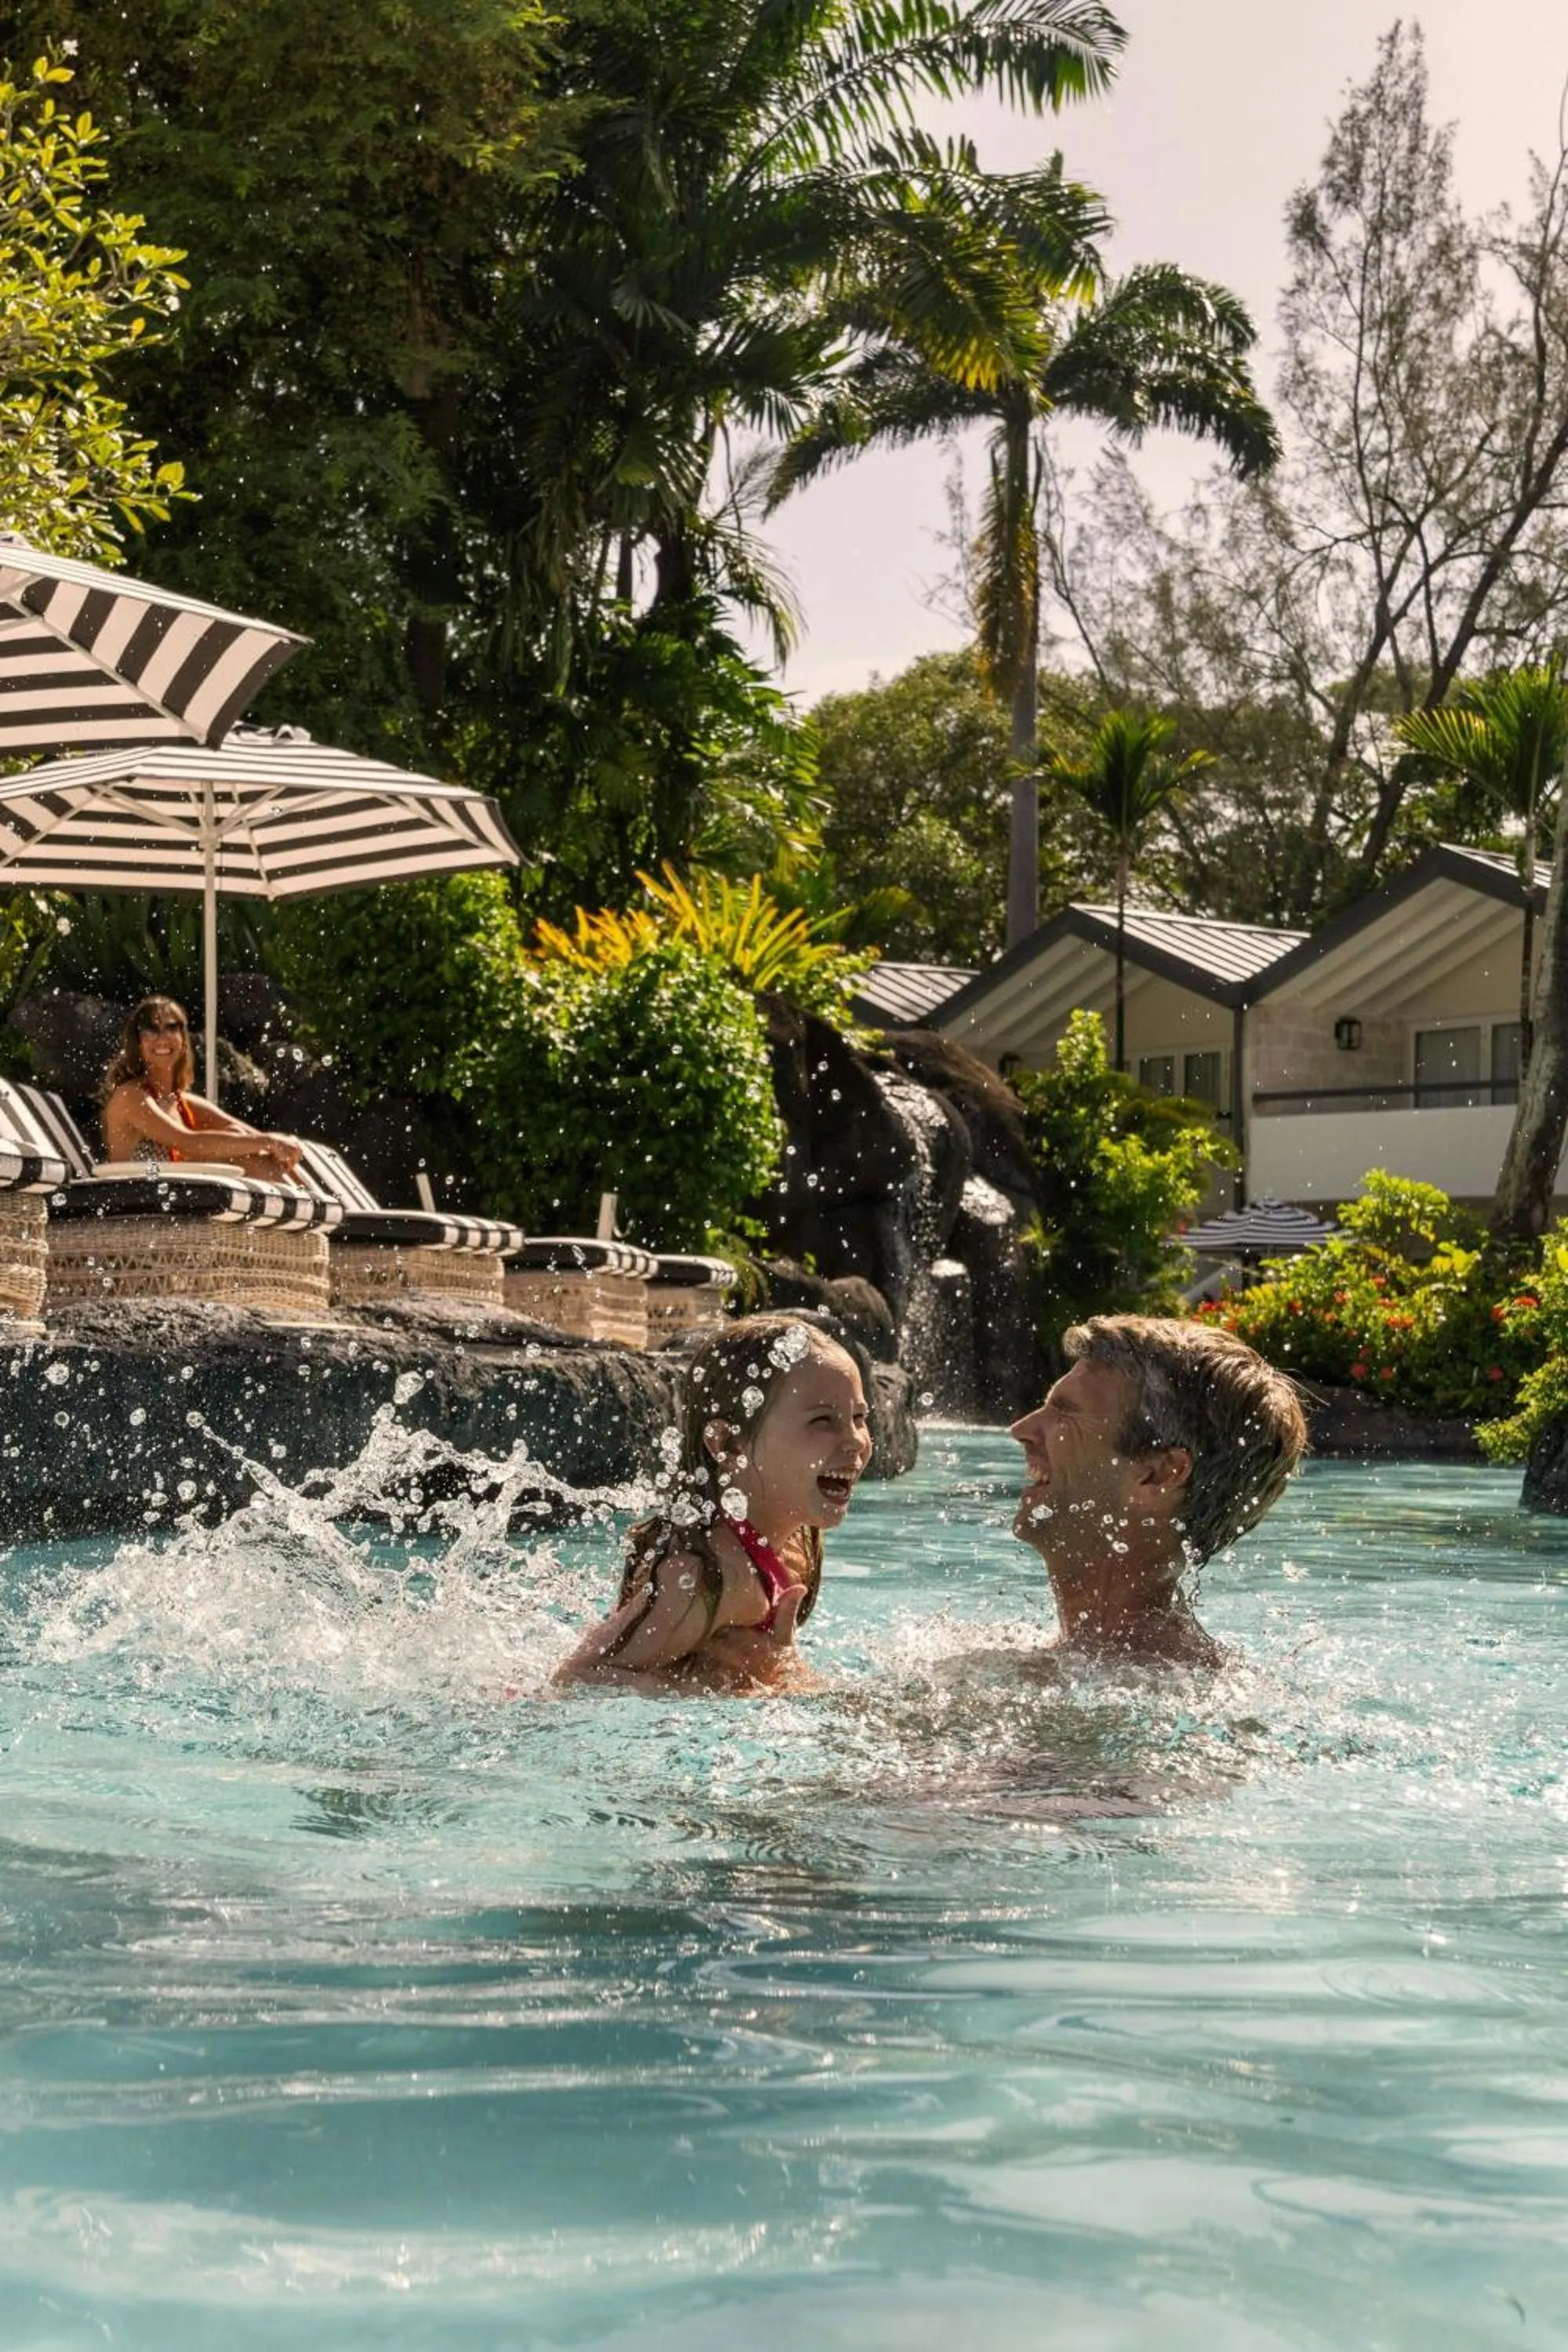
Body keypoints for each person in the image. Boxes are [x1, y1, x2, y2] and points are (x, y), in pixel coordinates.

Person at [555, 1312, 873, 1693]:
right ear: (726, 1443)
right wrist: (723, 1699)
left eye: (859, 1417)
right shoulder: (704, 1574)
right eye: (823, 1421)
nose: (855, 1439)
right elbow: (579, 1679)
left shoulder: (795, 1541)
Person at [1010, 1313, 1308, 1668]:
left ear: (1159, 1474)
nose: (1020, 1429)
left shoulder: (1160, 1682)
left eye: (1065, 1412)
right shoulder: (1089, 1662)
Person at [100, 995, 304, 1181]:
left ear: (183, 1039)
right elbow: (188, 1142)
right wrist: (268, 1142)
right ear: (138, 1042)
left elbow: (246, 1133)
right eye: (151, 1030)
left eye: (171, 1028)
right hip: (137, 1199)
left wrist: (283, 1153)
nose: (162, 1038)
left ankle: (310, 1204)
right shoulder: (131, 1097)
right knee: (244, 1156)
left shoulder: (180, 1102)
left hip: (173, 1197)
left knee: (237, 1135)